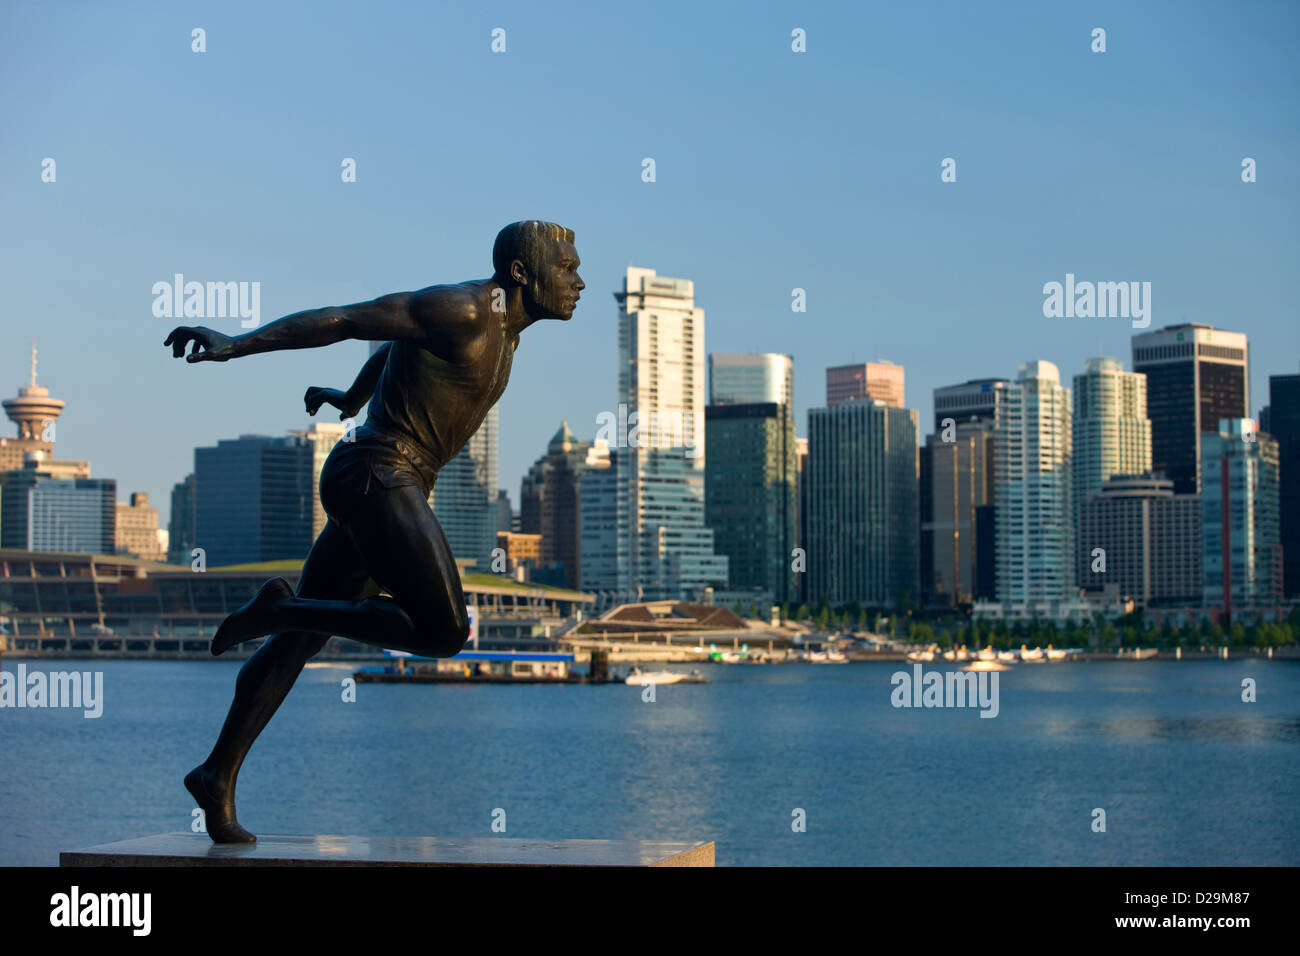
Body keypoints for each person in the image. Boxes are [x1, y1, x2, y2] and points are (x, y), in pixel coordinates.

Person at [163, 221, 583, 842]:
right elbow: (348, 320)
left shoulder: (506, 334)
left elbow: (393, 351)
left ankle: (216, 774)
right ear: (522, 273)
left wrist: (352, 396)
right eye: (568, 268)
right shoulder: (466, 308)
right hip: (378, 475)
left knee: (298, 646)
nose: (579, 282)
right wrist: (237, 345)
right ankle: (280, 609)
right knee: (445, 632)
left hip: (381, 478)